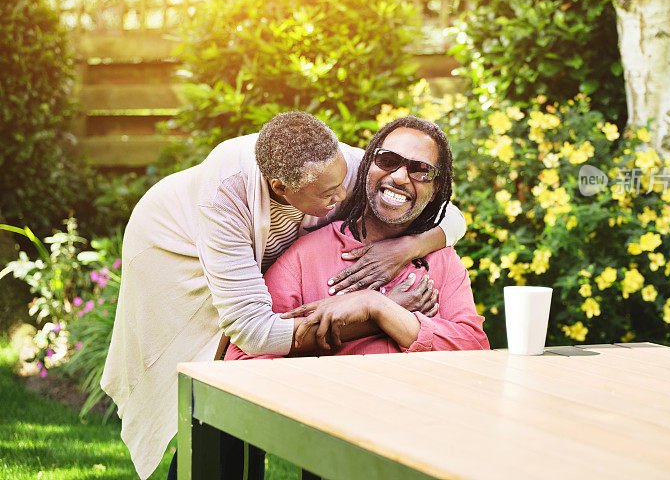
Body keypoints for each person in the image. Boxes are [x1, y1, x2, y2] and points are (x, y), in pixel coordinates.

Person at [100, 112, 466, 479]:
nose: (345, 197)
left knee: (240, 375)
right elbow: (255, 334)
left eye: (343, 183)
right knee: (212, 380)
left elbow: (451, 216)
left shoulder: (340, 167)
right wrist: (376, 315)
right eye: (328, 195)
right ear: (280, 189)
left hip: (252, 254)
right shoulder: (224, 196)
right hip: (175, 253)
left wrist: (403, 249)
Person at [226, 116, 489, 360]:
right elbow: (243, 358)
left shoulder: (443, 261)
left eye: (421, 170)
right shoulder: (304, 257)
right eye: (388, 160)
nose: (399, 177)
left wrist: (376, 306)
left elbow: (474, 350)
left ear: (435, 191)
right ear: (366, 166)